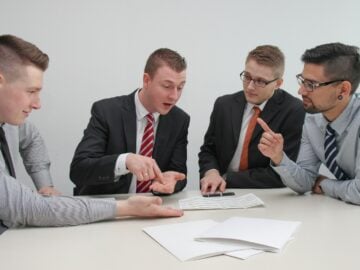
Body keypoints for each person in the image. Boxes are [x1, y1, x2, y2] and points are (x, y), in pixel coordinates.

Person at [0, 34, 183, 232]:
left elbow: (31, 139)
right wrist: (125, 206)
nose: (38, 104)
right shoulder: (107, 111)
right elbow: (31, 207)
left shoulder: (10, 123)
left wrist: (45, 185)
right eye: (31, 91)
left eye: (180, 87)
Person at [70, 48, 189, 196]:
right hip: (109, 208)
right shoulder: (107, 111)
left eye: (180, 87)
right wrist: (125, 161)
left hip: (152, 208)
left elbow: (179, 174)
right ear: (147, 80)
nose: (174, 96)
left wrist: (173, 181)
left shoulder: (179, 120)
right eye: (167, 86)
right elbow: (79, 170)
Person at [258, 42, 360, 205]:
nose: (301, 91)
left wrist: (325, 185)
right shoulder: (313, 119)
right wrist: (278, 157)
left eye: (311, 85)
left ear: (343, 90)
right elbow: (305, 182)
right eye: (302, 81)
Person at [199, 45, 305, 194]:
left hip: (268, 195)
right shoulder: (224, 104)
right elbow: (208, 151)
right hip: (219, 192)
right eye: (247, 77)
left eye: (260, 81)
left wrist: (227, 178)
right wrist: (211, 173)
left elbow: (283, 173)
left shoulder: (294, 110)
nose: (249, 87)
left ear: (278, 83)